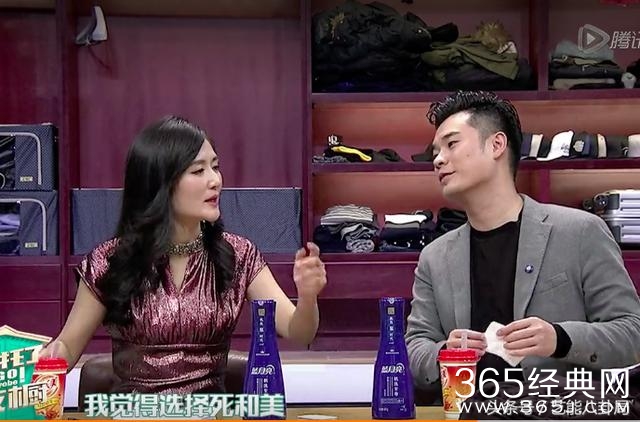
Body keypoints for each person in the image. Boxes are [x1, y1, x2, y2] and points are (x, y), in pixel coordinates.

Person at [42, 115, 327, 393]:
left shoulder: (239, 255)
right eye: (198, 171)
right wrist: (47, 356)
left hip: (211, 413)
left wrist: (307, 296)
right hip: (134, 414)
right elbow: (66, 347)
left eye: (215, 167)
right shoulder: (109, 260)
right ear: (160, 183)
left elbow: (299, 332)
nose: (215, 180)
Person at [405, 90, 640, 390]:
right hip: (469, 408)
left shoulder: (581, 232)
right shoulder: (434, 256)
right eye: (436, 151)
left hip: (558, 407)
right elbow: (414, 347)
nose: (438, 159)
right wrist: (444, 353)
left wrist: (560, 338)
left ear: (497, 145)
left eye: (451, 144)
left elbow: (632, 333)